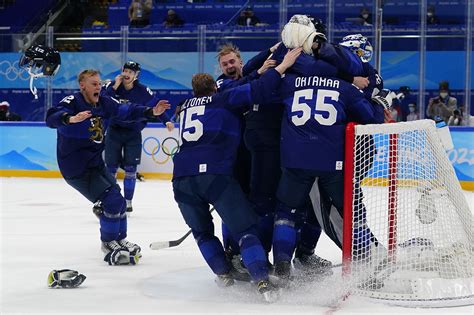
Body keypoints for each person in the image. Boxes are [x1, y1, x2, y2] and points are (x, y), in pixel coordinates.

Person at [172, 48, 301, 302]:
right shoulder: (224, 97)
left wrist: (260, 67)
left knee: (202, 232)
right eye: (225, 63)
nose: (229, 66)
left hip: (181, 178)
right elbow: (255, 90)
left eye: (233, 62)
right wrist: (278, 67)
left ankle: (223, 274)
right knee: (246, 228)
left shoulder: (186, 106)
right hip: (217, 173)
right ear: (216, 83)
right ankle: (262, 279)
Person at [45, 69, 170, 265]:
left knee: (118, 199)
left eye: (99, 83)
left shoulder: (104, 101)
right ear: (82, 86)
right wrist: (69, 119)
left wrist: (150, 112)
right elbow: (52, 116)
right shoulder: (72, 102)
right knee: (111, 201)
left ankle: (120, 238)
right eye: (93, 84)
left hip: (95, 162)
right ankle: (108, 241)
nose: (98, 87)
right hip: (76, 168)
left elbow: (127, 110)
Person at [102, 61, 174, 214]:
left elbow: (156, 107)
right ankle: (109, 200)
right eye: (125, 70)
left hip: (133, 133)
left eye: (131, 72)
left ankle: (128, 202)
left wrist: (166, 120)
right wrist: (114, 85)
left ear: (136, 75)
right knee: (111, 169)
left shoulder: (143, 91)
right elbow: (103, 100)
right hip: (114, 131)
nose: (127, 74)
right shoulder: (112, 86)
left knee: (130, 169)